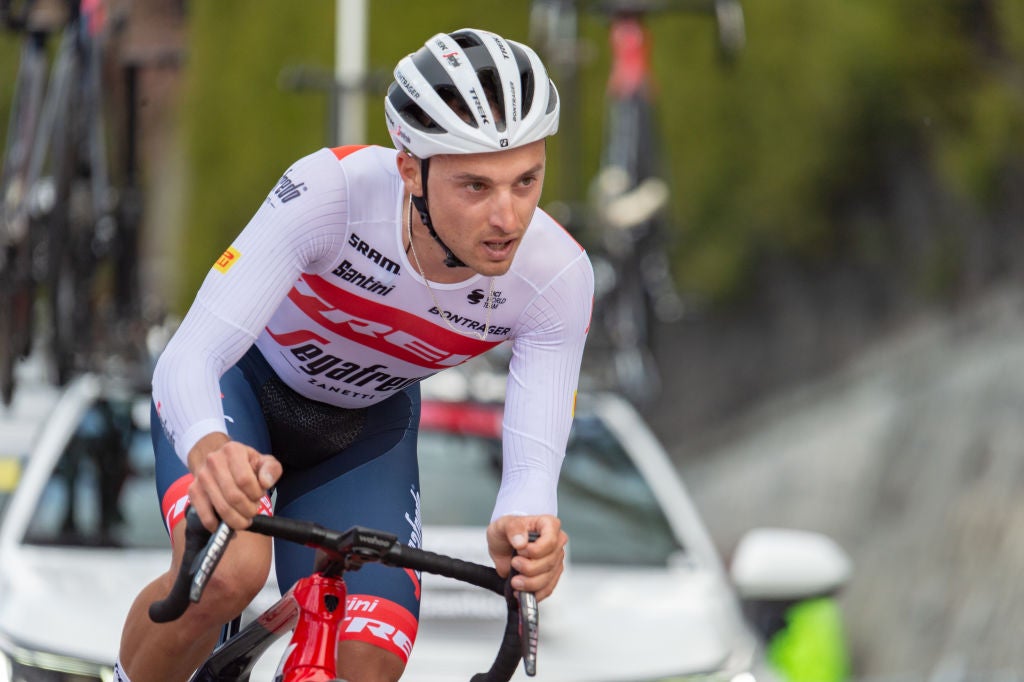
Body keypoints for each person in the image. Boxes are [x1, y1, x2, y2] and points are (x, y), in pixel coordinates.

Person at [114, 26, 594, 682]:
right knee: (226, 575)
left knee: (367, 658)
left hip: (359, 433)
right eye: (475, 186)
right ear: (409, 171)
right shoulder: (331, 194)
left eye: (526, 180)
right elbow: (190, 355)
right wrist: (208, 447)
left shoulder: (556, 276)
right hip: (242, 392)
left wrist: (530, 535)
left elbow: (530, 482)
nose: (508, 217)